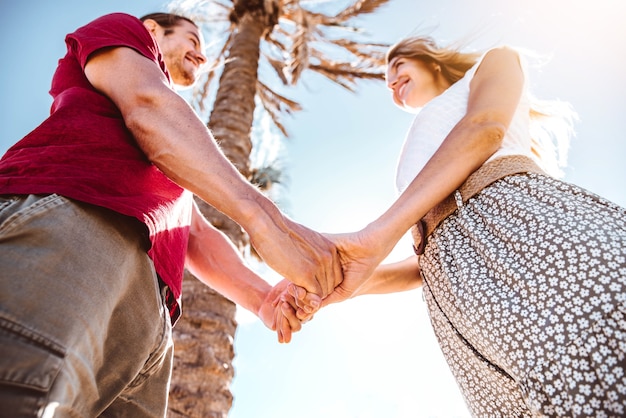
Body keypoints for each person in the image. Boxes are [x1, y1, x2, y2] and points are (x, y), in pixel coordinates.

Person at [0, 12, 331, 417]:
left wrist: (263, 299)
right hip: (75, 228)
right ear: (154, 30)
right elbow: (147, 104)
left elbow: (194, 235)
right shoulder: (126, 32)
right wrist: (265, 221)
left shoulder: (174, 154)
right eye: (192, 38)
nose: (201, 55)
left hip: (151, 326)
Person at [291, 35, 626, 416]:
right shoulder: (412, 149)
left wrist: (377, 234)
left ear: (430, 60)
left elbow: (484, 128)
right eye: (385, 80)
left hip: (521, 227)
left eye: (398, 65)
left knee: (591, 359)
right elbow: (432, 255)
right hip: (453, 295)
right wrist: (342, 285)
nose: (391, 81)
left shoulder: (497, 59)